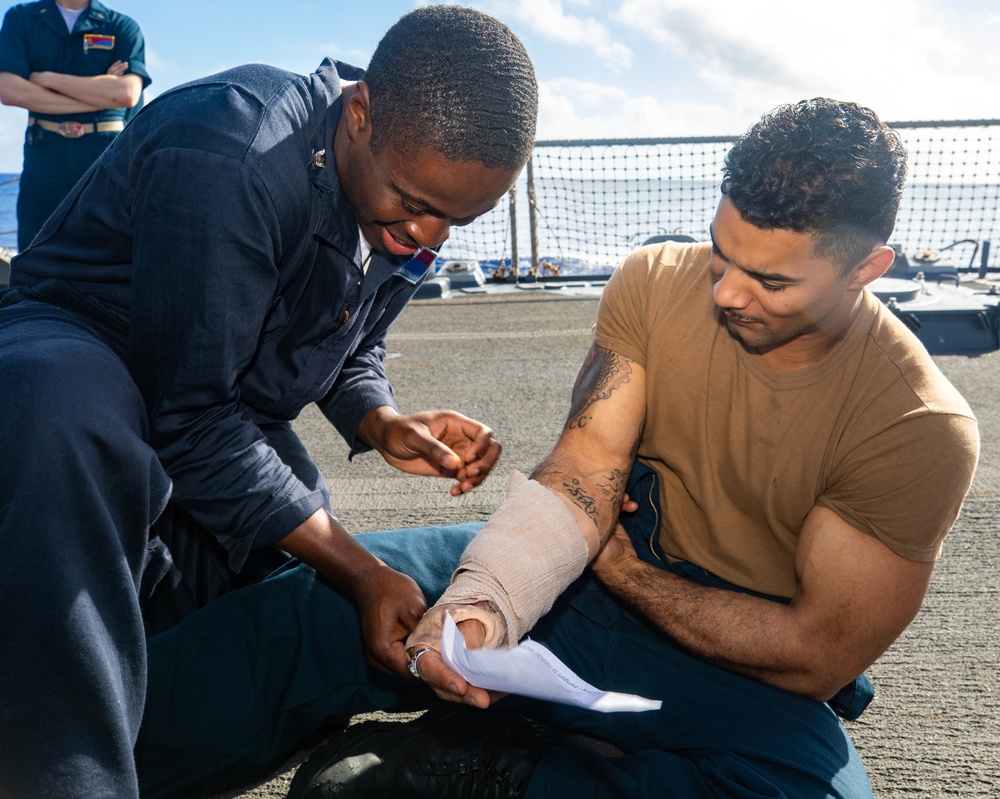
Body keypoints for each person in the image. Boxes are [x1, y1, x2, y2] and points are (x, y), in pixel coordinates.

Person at [126, 97, 980, 799]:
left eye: (771, 280)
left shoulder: (916, 424)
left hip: (733, 655)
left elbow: (815, 652)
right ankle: (78, 766)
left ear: (868, 269)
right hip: (589, 567)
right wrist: (486, 606)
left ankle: (510, 763)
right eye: (722, 253)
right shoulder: (656, 280)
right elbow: (581, 472)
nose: (724, 291)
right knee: (315, 606)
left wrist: (624, 572)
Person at [0, 6, 538, 798]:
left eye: (457, 220)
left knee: (276, 570)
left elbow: (348, 340)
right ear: (359, 113)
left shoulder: (402, 196)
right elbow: (190, 419)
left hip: (214, 399)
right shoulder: (235, 151)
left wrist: (378, 417)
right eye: (414, 201)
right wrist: (363, 569)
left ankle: (128, 711)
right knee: (66, 419)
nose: (427, 234)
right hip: (87, 344)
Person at [0, 0, 150, 253]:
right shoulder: (22, 18)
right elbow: (9, 91)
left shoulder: (121, 26)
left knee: (105, 251)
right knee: (35, 251)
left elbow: (125, 94)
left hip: (104, 156)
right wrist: (98, 93)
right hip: (44, 154)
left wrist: (45, 79)